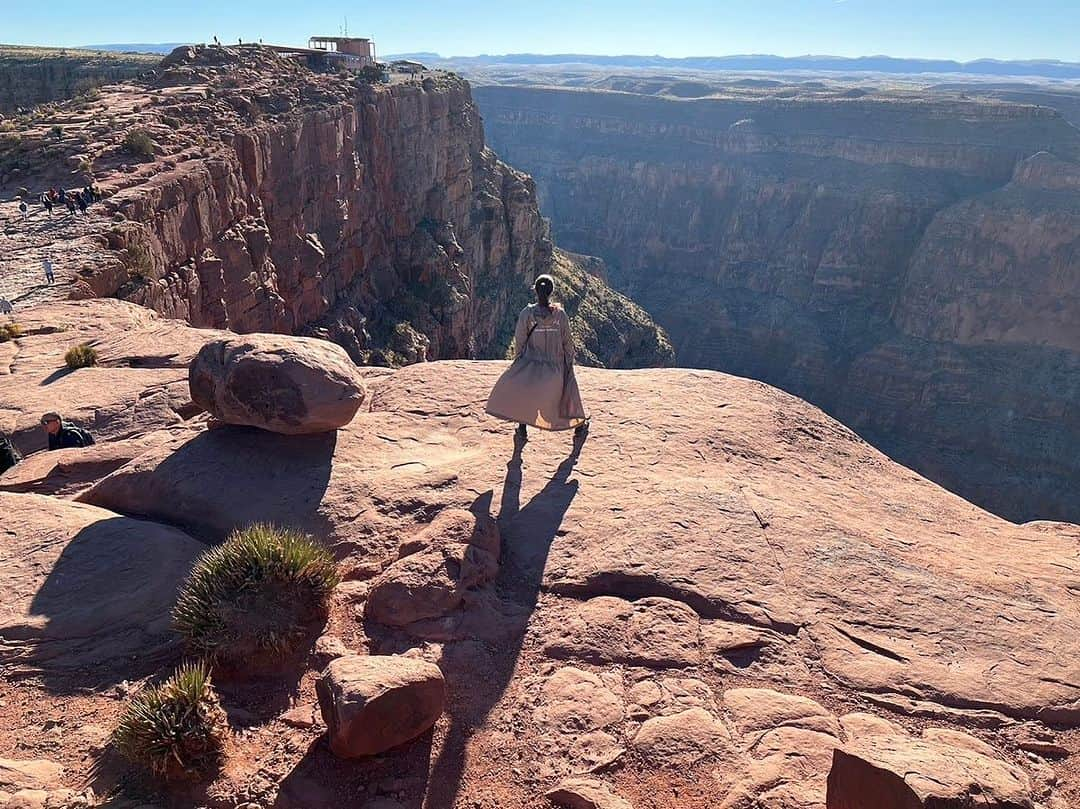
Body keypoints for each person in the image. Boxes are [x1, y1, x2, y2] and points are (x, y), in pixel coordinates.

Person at [485, 274, 588, 443]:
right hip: (555, 368)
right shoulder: (560, 315)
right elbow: (567, 342)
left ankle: (523, 428)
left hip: (531, 365)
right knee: (569, 390)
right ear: (551, 291)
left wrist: (519, 361)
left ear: (536, 291)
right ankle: (579, 427)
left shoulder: (527, 314)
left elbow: (520, 340)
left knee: (523, 390)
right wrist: (568, 364)